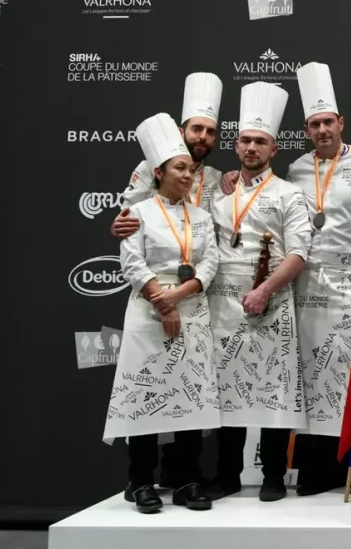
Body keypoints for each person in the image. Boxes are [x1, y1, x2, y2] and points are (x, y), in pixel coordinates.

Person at [110, 72, 223, 492]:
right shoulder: (141, 197)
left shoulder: (210, 196)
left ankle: (185, 479)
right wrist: (162, 300)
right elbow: (130, 252)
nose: (188, 172)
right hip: (148, 307)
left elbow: (210, 260)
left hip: (192, 305)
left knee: (189, 393)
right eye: (197, 129)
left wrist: (181, 295)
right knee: (145, 391)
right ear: (161, 169)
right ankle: (140, 480)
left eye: (211, 132)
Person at [205, 81, 311, 502]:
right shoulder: (219, 193)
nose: (252, 147)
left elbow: (299, 252)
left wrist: (264, 290)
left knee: (274, 388)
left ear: (274, 149)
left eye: (260, 141)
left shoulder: (289, 194)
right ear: (236, 146)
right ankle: (227, 474)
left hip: (271, 299)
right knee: (226, 388)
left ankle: (272, 476)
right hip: (222, 302)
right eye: (246, 140)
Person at [285, 62, 351, 495]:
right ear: (306, 130)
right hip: (309, 287)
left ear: (341, 123)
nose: (323, 130)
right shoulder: (296, 170)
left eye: (328, 122)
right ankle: (316, 471)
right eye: (314, 124)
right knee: (313, 375)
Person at [113, 72, 224, 240]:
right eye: (196, 128)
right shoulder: (150, 168)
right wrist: (118, 227)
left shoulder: (216, 177)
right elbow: (126, 219)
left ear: (214, 140)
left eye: (210, 132)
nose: (203, 136)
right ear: (181, 132)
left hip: (201, 257)